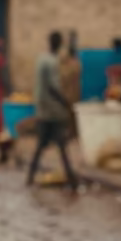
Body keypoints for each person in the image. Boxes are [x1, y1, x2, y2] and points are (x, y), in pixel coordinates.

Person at [27, 31, 78, 188]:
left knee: (43, 145)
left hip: (43, 109)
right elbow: (53, 87)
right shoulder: (51, 62)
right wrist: (66, 103)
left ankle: (30, 176)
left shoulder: (41, 59)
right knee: (60, 145)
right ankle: (71, 178)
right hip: (53, 111)